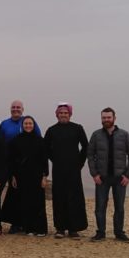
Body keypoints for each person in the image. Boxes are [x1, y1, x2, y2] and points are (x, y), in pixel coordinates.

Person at [87, 107, 129, 242]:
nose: (106, 120)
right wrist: (94, 174)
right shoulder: (96, 135)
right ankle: (100, 233)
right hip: (101, 178)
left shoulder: (124, 135)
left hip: (120, 178)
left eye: (108, 117)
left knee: (119, 207)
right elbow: (90, 155)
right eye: (104, 118)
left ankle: (119, 233)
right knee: (99, 207)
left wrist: (128, 175)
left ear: (114, 118)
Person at [44, 102, 89, 238]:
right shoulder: (51, 130)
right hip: (58, 169)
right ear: (57, 115)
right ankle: (60, 228)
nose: (63, 115)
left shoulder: (77, 128)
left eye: (66, 113)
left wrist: (80, 162)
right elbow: (46, 148)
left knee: (74, 197)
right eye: (61, 113)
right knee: (59, 197)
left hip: (74, 169)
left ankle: (73, 228)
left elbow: (86, 147)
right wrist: (54, 159)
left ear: (70, 114)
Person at [0, 100, 41, 233]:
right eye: (13, 107)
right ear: (10, 109)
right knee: (14, 194)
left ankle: (26, 222)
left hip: (29, 166)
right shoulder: (5, 123)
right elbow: (0, 142)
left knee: (27, 195)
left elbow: (38, 141)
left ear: (23, 109)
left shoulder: (28, 121)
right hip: (11, 163)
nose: (16, 109)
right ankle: (15, 223)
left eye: (18, 107)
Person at [8, 116, 49, 237]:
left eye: (30, 123)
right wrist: (13, 176)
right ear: (22, 125)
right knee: (26, 202)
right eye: (25, 123)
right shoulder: (16, 140)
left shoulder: (40, 140)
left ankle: (40, 229)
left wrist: (45, 176)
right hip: (22, 176)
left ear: (34, 125)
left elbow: (44, 159)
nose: (28, 125)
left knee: (38, 202)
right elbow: (12, 160)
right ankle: (29, 228)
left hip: (37, 175)